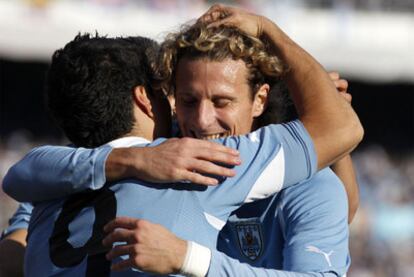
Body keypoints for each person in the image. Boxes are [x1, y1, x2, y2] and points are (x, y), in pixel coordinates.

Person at [2, 5, 363, 276]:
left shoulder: (308, 186)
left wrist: (188, 257)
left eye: (222, 102)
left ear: (260, 99)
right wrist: (132, 161)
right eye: (188, 101)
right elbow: (17, 220)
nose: (202, 121)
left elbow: (22, 181)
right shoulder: (163, 159)